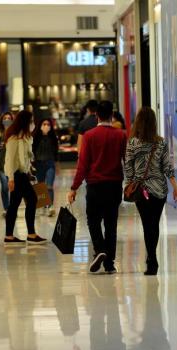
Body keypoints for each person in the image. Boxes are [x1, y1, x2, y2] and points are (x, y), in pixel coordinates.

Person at [67, 101, 127, 274]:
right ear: (112, 115)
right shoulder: (121, 135)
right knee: (111, 224)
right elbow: (127, 160)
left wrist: (74, 187)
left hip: (95, 185)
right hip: (114, 185)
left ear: (96, 116)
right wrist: (130, 182)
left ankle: (99, 249)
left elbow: (83, 164)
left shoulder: (89, 135)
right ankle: (109, 264)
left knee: (93, 221)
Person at [124, 107, 177, 275]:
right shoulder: (160, 142)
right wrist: (175, 186)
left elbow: (128, 167)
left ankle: (152, 258)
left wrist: (129, 184)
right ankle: (152, 258)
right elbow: (167, 167)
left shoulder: (133, 142)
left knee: (147, 224)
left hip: (141, 190)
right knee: (154, 224)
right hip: (159, 190)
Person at [4, 110, 47, 246]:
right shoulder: (13, 138)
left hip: (22, 174)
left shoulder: (26, 137)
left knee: (17, 204)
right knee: (29, 200)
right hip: (16, 175)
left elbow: (26, 157)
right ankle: (29, 234)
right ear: (25, 122)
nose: (32, 123)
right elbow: (9, 159)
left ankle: (11, 236)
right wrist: (10, 178)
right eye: (31, 121)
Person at [32, 118, 58, 217]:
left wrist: (57, 164)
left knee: (49, 186)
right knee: (40, 186)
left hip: (50, 163)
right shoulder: (35, 137)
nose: (46, 126)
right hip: (39, 164)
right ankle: (42, 205)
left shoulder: (53, 137)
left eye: (48, 124)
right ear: (40, 125)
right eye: (44, 124)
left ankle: (51, 206)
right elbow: (32, 150)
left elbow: (56, 151)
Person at [0, 112, 14, 216]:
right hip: (2, 164)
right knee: (5, 186)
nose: (7, 120)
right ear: (1, 120)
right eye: (5, 118)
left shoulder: (15, 133)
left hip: (13, 165)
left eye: (9, 118)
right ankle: (6, 208)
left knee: (13, 187)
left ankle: (12, 207)